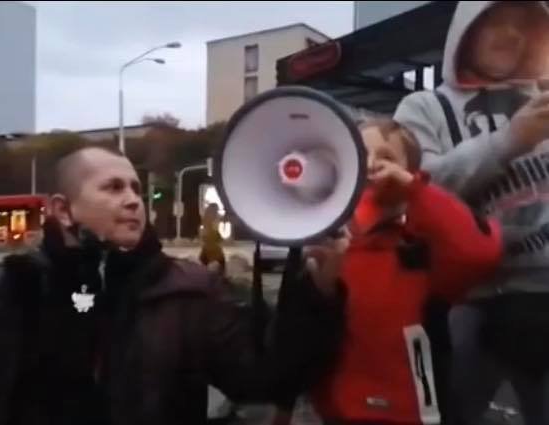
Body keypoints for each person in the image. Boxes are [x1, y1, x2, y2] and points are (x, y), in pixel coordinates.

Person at [0, 146, 347, 425]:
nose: (134, 199)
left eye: (135, 188)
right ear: (62, 209)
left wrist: (315, 293)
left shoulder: (189, 291)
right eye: (113, 188)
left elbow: (263, 377)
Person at [276, 119, 503, 425]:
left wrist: (414, 191)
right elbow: (291, 339)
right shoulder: (320, 249)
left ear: (409, 171)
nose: (370, 166)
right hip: (332, 413)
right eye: (359, 155)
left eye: (386, 158)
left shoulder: (420, 247)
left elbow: (480, 252)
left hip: (411, 415)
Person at [394, 2, 549, 423]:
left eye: (524, 25)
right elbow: (416, 190)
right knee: (449, 414)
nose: (511, 34)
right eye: (497, 20)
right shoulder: (423, 108)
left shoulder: (542, 95)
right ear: (466, 30)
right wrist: (509, 140)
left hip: (545, 293)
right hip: (468, 301)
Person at [199, 203, 226, 274]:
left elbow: (204, 236)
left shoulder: (206, 219)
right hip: (215, 251)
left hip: (207, 249)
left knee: (203, 269)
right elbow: (214, 234)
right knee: (221, 268)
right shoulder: (214, 219)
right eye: (216, 210)